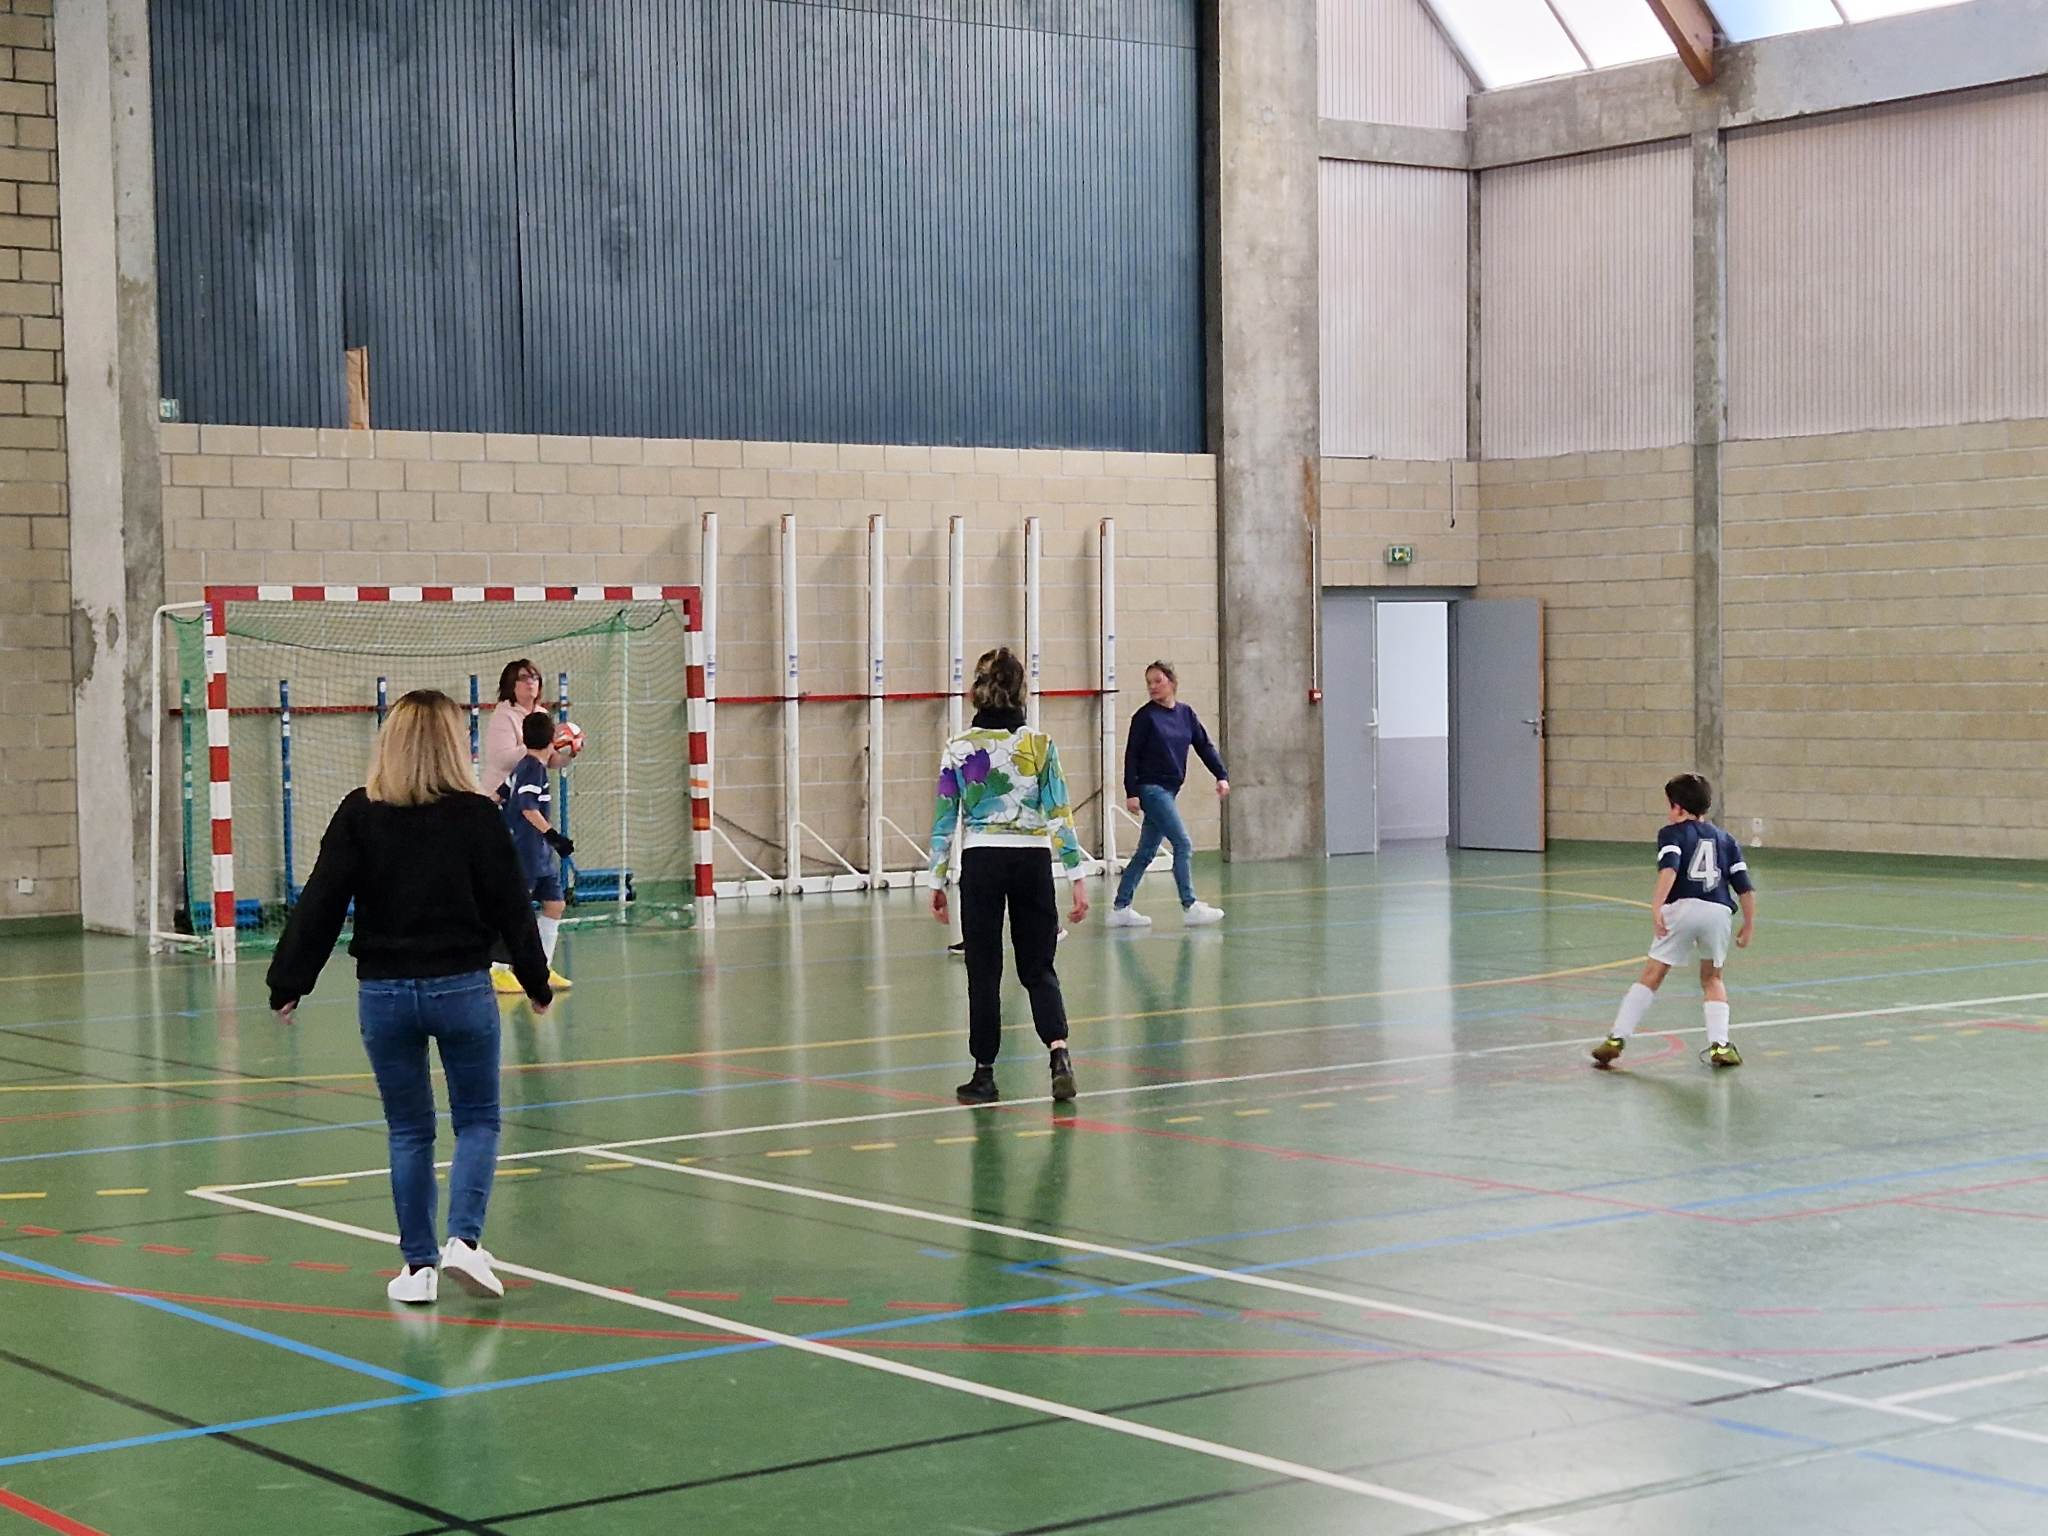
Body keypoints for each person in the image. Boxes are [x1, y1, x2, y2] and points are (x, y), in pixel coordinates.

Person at [267, 689, 553, 1305]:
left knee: (408, 1129)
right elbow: (511, 905)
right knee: (477, 1119)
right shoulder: (477, 815)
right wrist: (535, 979)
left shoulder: (359, 812)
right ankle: (464, 1241)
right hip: (461, 988)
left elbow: (321, 900)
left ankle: (418, 1267)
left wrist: (289, 981)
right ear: (454, 745)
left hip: (385, 994)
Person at [930, 647, 1090, 1105]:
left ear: (976, 691)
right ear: (1021, 690)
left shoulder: (959, 748)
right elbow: (1059, 813)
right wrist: (1076, 876)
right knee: (1038, 965)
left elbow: (945, 819)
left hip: (982, 861)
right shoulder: (1040, 745)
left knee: (984, 969)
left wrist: (936, 881)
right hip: (1031, 861)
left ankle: (984, 1073)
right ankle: (1058, 1053)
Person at [1593, 773, 1757, 1071]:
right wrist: (1748, 924)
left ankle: (1617, 1038)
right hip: (1718, 911)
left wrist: (1657, 905)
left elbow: (1669, 868)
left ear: (1678, 808)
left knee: (1652, 974)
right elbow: (1744, 887)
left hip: (1681, 907)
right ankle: (1720, 1044)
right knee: (1713, 978)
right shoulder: (1726, 840)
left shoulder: (1671, 834)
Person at [1107, 661, 1228, 928]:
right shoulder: (1145, 717)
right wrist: (1131, 792)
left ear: (1172, 682)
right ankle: (1190, 905)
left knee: (1146, 852)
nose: (1152, 687)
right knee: (1182, 843)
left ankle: (1121, 907)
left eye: (1157, 681)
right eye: (1148, 682)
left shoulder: (1186, 714)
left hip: (1171, 790)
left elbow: (1204, 746)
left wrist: (1221, 775)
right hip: (1151, 789)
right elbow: (1132, 755)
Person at [491, 710, 574, 994]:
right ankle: (498, 970)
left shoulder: (523, 767)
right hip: (524, 852)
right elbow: (528, 807)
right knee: (515, 910)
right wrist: (554, 837)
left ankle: (541, 969)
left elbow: (498, 795)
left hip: (540, 855)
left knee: (555, 904)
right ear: (553, 741)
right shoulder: (532, 769)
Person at [481, 658, 578, 796]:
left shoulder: (542, 714)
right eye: (523, 678)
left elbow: (550, 759)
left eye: (535, 677)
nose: (530, 682)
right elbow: (502, 759)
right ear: (511, 684)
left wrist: (569, 751)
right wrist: (536, 748)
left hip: (531, 790)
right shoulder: (503, 715)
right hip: (501, 795)